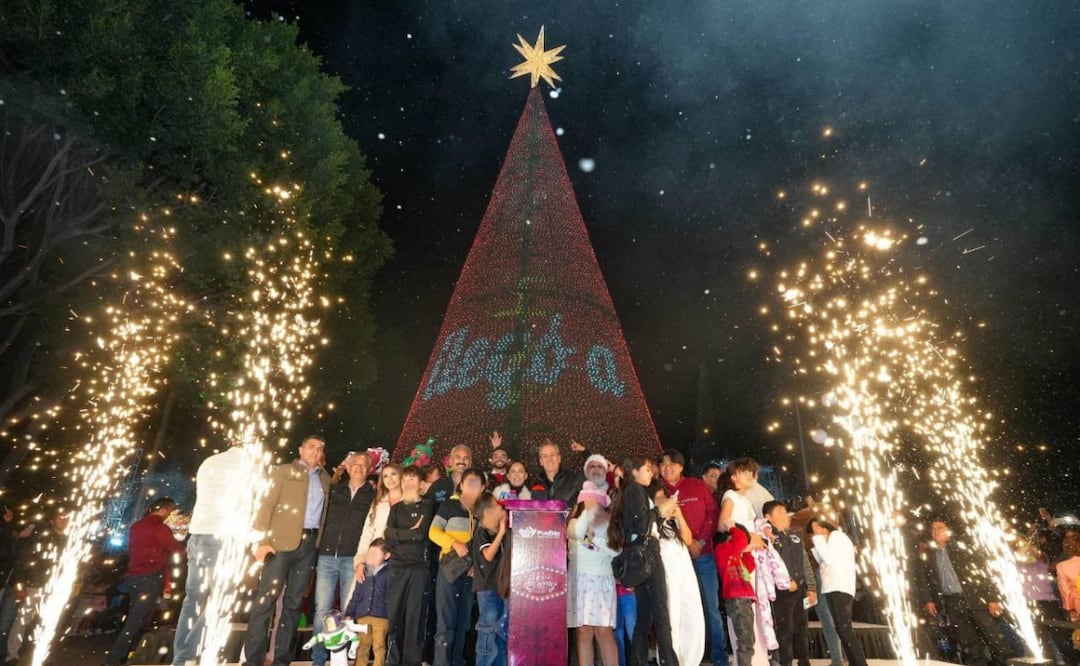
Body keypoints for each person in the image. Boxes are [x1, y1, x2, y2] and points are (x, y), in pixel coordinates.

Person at [244, 435, 331, 666]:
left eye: (320, 448)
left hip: (310, 545)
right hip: (279, 545)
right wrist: (261, 540)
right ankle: (252, 660)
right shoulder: (281, 472)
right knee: (265, 602)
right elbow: (265, 505)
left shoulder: (325, 478)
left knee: (293, 606)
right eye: (311, 447)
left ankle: (282, 660)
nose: (316, 451)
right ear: (300, 449)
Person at [172, 440, 260, 666]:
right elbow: (247, 507)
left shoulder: (209, 461)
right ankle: (186, 656)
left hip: (198, 536)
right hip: (223, 540)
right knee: (221, 602)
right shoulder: (249, 466)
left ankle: (180, 658)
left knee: (192, 601)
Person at [609, 456, 679, 666]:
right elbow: (640, 525)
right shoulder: (636, 490)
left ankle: (638, 660)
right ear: (635, 473)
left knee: (646, 613)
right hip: (647, 552)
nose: (651, 473)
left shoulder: (632, 491)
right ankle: (669, 661)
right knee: (659, 611)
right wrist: (660, 510)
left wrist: (659, 513)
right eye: (647, 469)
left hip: (641, 552)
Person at [660, 449, 726, 666]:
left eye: (672, 464)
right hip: (675, 559)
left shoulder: (696, 486)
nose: (667, 468)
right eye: (663, 464)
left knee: (710, 608)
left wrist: (700, 542)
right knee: (677, 608)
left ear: (681, 467)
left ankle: (718, 657)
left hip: (702, 555)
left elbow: (712, 513)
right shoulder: (658, 491)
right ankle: (681, 657)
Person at [915, 519, 1012, 666]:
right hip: (951, 602)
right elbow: (925, 580)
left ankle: (1005, 663)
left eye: (939, 528)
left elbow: (983, 571)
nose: (935, 531)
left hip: (974, 599)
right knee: (968, 642)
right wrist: (929, 600)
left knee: (993, 638)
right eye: (933, 529)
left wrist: (992, 598)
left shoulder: (962, 547)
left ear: (948, 530)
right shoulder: (930, 555)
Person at [312, 452, 377, 666]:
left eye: (364, 464)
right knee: (323, 609)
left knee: (350, 610)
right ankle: (319, 658)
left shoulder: (373, 495)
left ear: (370, 469)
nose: (359, 468)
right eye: (355, 464)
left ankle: (343, 657)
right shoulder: (334, 491)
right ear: (348, 467)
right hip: (327, 556)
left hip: (353, 559)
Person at [105, 497, 186, 665]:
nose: (170, 514)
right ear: (163, 510)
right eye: (169, 510)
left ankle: (124, 654)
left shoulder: (137, 526)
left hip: (134, 575)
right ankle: (114, 658)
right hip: (151, 576)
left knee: (136, 617)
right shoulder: (159, 528)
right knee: (138, 619)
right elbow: (176, 548)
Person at [429, 468, 485, 666]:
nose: (471, 486)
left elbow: (483, 544)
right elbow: (433, 532)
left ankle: (457, 661)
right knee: (445, 623)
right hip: (449, 571)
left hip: (469, 574)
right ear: (461, 485)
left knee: (463, 624)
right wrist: (453, 543)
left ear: (483, 488)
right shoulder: (449, 506)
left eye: (477, 483)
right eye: (468, 482)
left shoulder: (481, 512)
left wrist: (476, 566)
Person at [384, 466, 436, 666]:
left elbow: (420, 534)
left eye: (412, 480)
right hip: (397, 567)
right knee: (395, 616)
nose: (408, 484)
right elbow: (387, 536)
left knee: (415, 618)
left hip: (419, 568)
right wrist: (403, 533)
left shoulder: (427, 505)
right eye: (405, 480)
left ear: (421, 484)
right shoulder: (396, 508)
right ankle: (393, 660)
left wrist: (397, 534)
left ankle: (412, 661)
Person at [568, 481, 619, 666]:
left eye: (597, 503)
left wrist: (596, 538)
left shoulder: (608, 524)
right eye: (589, 503)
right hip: (580, 582)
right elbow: (578, 532)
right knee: (583, 631)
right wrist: (586, 514)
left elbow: (616, 551)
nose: (594, 507)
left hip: (601, 582)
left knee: (603, 631)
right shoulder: (574, 522)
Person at [654, 485, 705, 666]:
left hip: (685, 573)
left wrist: (680, 516)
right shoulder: (652, 522)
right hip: (667, 575)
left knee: (694, 617)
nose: (663, 501)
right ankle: (670, 661)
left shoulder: (674, 521)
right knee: (671, 619)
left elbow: (688, 539)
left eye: (664, 497)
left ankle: (691, 661)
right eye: (658, 497)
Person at [809, 517, 867, 666]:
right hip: (832, 588)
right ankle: (855, 662)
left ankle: (860, 663)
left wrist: (818, 539)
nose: (815, 534)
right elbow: (821, 559)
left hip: (840, 587)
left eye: (817, 529)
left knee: (845, 629)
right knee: (841, 629)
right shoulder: (831, 541)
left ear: (825, 528)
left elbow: (827, 558)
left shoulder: (837, 536)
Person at [763, 501, 816, 666]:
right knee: (785, 630)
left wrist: (811, 587)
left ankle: (804, 660)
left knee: (802, 628)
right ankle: (784, 662)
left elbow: (805, 562)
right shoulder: (767, 537)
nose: (784, 514)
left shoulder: (795, 536)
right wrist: (785, 582)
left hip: (800, 589)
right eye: (779, 511)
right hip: (781, 592)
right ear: (768, 517)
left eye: (785, 511)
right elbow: (767, 566)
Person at [472, 491, 509, 666]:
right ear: (487, 512)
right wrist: (501, 534)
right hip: (487, 589)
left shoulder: (505, 532)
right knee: (488, 628)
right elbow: (488, 555)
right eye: (496, 505)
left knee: (502, 630)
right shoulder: (482, 532)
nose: (501, 507)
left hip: (503, 588)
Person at [714, 524, 756, 666]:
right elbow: (740, 540)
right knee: (745, 640)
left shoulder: (736, 556)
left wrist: (748, 552)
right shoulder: (722, 550)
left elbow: (749, 567)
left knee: (748, 639)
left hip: (745, 600)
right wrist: (732, 526)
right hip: (737, 600)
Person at [345, 538, 391, 666]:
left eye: (375, 554)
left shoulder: (389, 573)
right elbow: (356, 594)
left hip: (381, 617)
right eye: (369, 554)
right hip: (362, 616)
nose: (370, 558)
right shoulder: (363, 572)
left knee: (379, 646)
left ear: (386, 555)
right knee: (362, 645)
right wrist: (349, 613)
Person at [356, 464, 403, 582]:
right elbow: (367, 532)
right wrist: (360, 560)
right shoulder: (378, 503)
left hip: (400, 559)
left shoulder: (410, 501)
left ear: (401, 476)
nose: (390, 479)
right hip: (375, 557)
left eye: (393, 474)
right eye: (385, 476)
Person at [531, 438, 585, 506]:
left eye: (552, 455)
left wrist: (585, 451)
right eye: (545, 456)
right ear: (541, 461)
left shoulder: (574, 479)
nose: (549, 459)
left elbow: (597, 474)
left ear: (559, 458)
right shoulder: (534, 483)